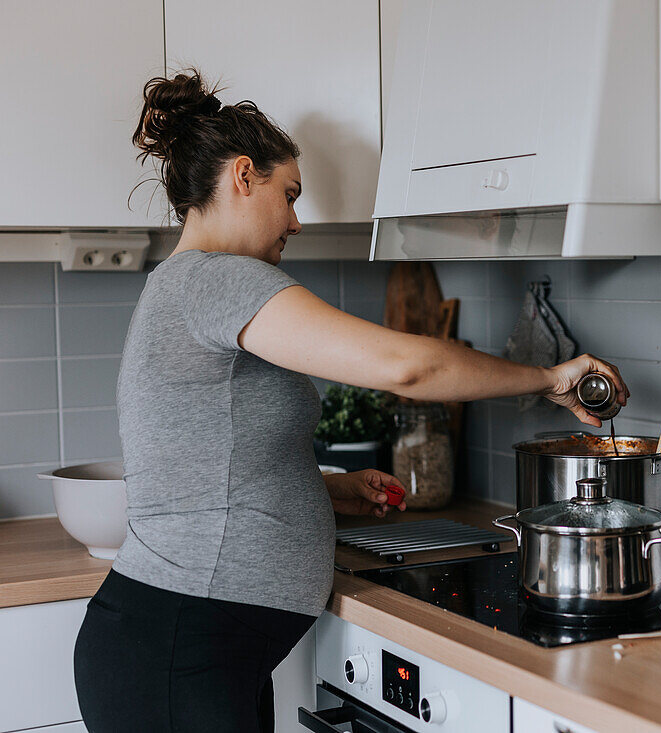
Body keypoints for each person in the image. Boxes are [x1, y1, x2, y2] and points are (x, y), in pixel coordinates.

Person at [72, 69, 629, 733]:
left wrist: (327, 489)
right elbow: (408, 366)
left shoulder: (189, 287)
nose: (297, 222)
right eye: (290, 195)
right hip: (179, 647)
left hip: (195, 644)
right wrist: (548, 379)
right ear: (243, 176)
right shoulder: (217, 281)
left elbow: (198, 461)